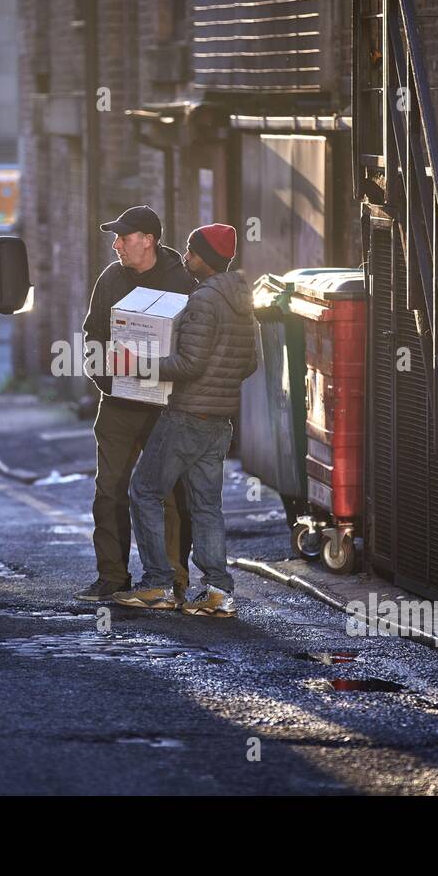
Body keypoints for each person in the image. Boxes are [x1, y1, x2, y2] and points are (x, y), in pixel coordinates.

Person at [113, 223, 258, 618]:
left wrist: (135, 364)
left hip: (187, 414)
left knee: (144, 490)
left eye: (193, 252)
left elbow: (188, 364)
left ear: (206, 259)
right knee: (207, 505)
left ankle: (158, 583)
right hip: (220, 419)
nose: (188, 259)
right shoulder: (243, 298)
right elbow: (250, 362)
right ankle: (217, 593)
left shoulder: (204, 300)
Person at [75, 205, 196, 603]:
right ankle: (112, 576)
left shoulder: (185, 281)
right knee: (109, 489)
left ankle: (172, 578)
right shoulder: (111, 278)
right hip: (118, 405)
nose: (116, 245)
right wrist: (107, 380)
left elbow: (196, 344)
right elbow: (92, 334)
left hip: (166, 407)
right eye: (116, 238)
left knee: (170, 493)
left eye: (124, 238)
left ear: (148, 240)